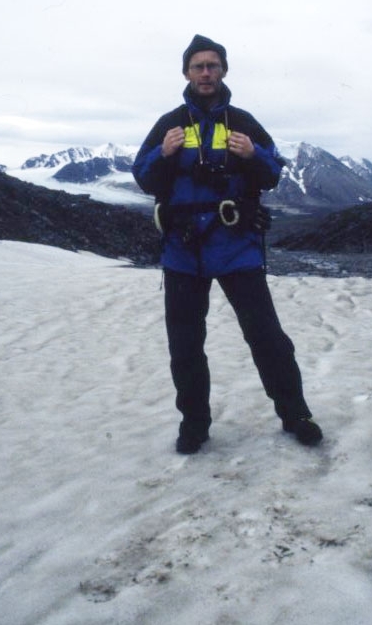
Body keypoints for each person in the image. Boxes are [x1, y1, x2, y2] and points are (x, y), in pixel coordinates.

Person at [132, 34, 323, 454]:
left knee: (268, 338)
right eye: (198, 66)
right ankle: (194, 425)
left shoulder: (244, 122)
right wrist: (161, 154)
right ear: (186, 72)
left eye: (213, 65)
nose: (206, 72)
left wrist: (254, 154)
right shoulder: (168, 124)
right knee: (185, 345)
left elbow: (273, 173)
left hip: (236, 245)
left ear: (223, 71)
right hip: (184, 251)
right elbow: (143, 176)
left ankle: (297, 415)